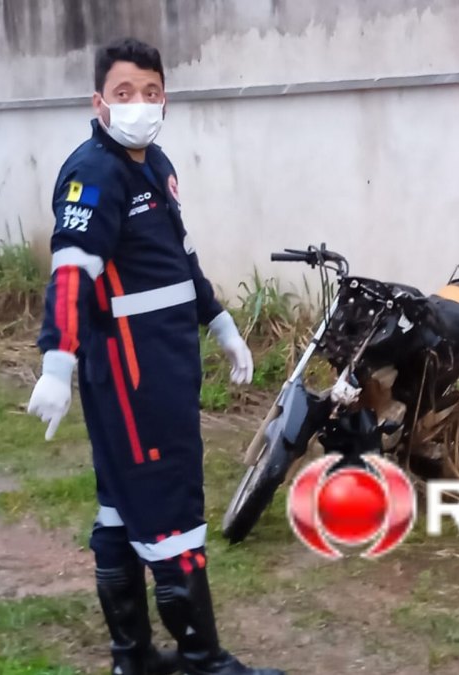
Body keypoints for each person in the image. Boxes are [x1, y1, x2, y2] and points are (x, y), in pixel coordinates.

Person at [25, 38, 281, 675]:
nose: (139, 104)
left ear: (163, 97)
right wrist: (58, 361)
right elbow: (71, 274)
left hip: (166, 363)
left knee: (120, 507)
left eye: (150, 92)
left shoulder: (155, 163)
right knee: (170, 506)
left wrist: (219, 321)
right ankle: (202, 660)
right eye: (123, 94)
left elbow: (178, 257)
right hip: (132, 375)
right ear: (99, 103)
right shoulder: (94, 173)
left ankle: (132, 659)